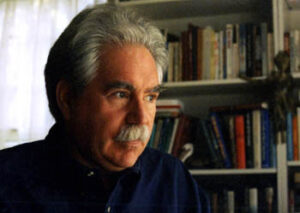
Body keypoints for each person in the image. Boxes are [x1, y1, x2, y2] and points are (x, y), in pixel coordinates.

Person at [0, 4, 208, 213]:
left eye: (150, 97)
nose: (141, 118)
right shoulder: (6, 182)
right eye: (121, 95)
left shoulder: (175, 182)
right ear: (68, 99)